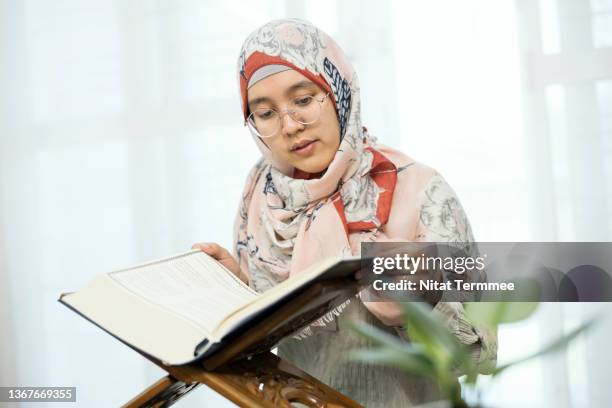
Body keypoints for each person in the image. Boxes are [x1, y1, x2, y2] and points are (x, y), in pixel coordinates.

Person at [192, 18, 497, 407]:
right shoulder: (260, 199)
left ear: (338, 92)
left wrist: (419, 303)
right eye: (266, 113)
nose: (289, 125)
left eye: (303, 100)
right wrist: (237, 292)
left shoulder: (417, 190)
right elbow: (270, 348)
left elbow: (479, 357)